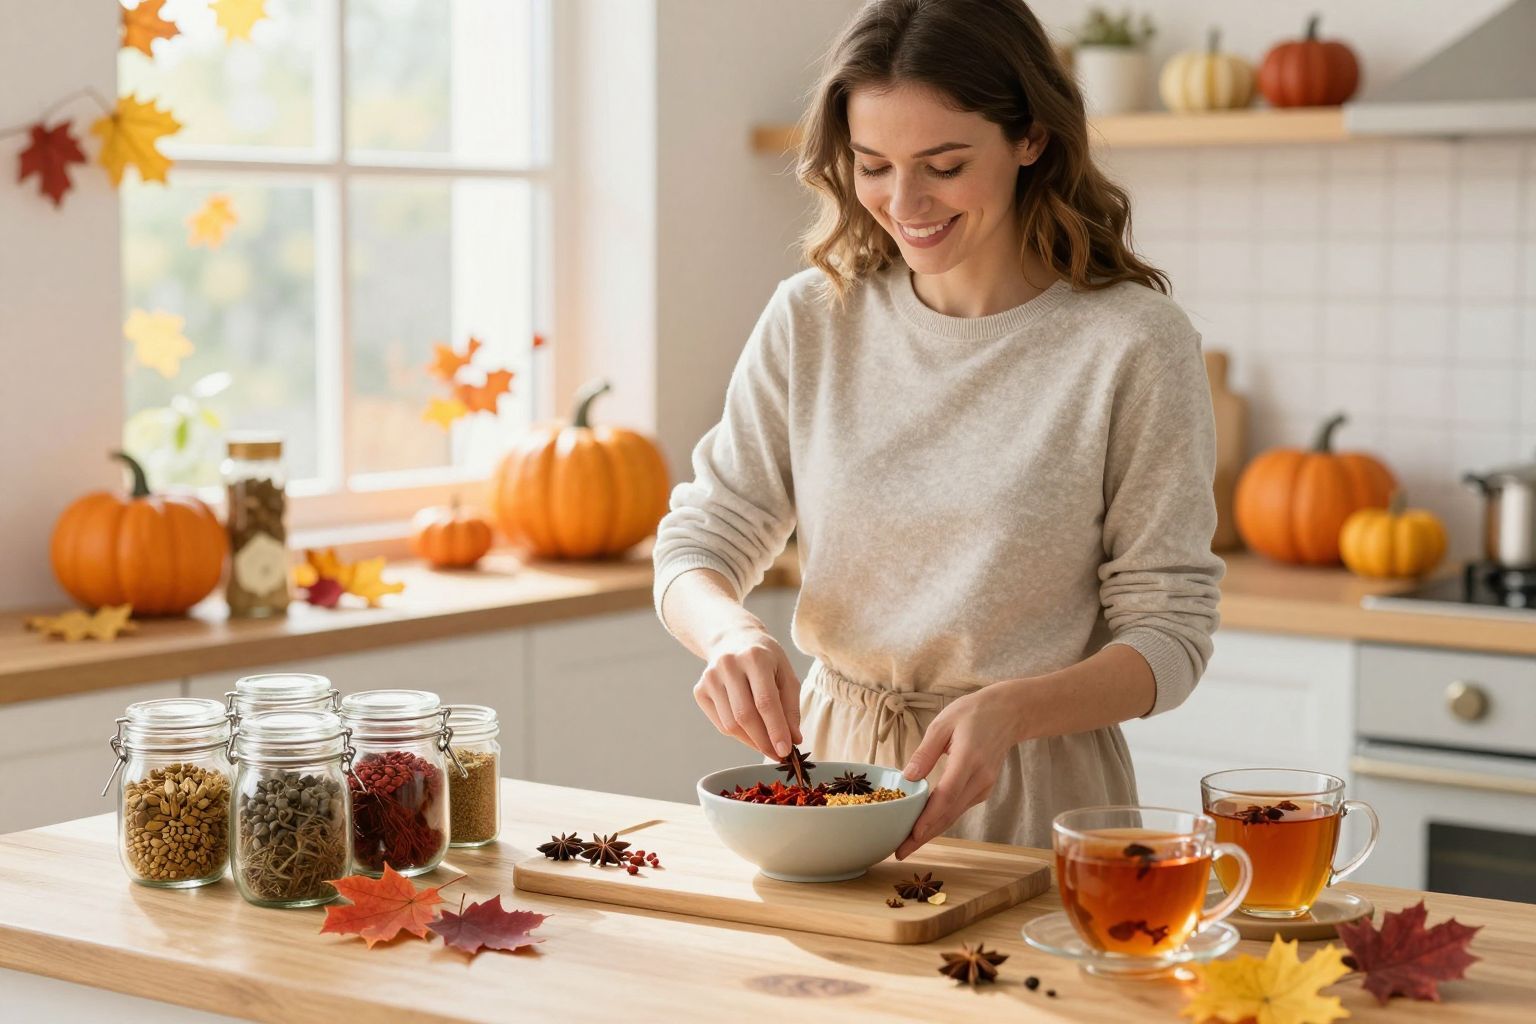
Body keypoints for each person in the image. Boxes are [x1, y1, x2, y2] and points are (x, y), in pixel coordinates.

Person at [651, 0, 1223, 856]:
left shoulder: (1133, 343)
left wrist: (1013, 710)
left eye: (944, 165)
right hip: (829, 785)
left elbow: (1171, 632)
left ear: (1030, 137)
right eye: (872, 165)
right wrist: (728, 633)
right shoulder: (814, 318)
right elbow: (699, 539)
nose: (904, 202)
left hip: (1035, 795)